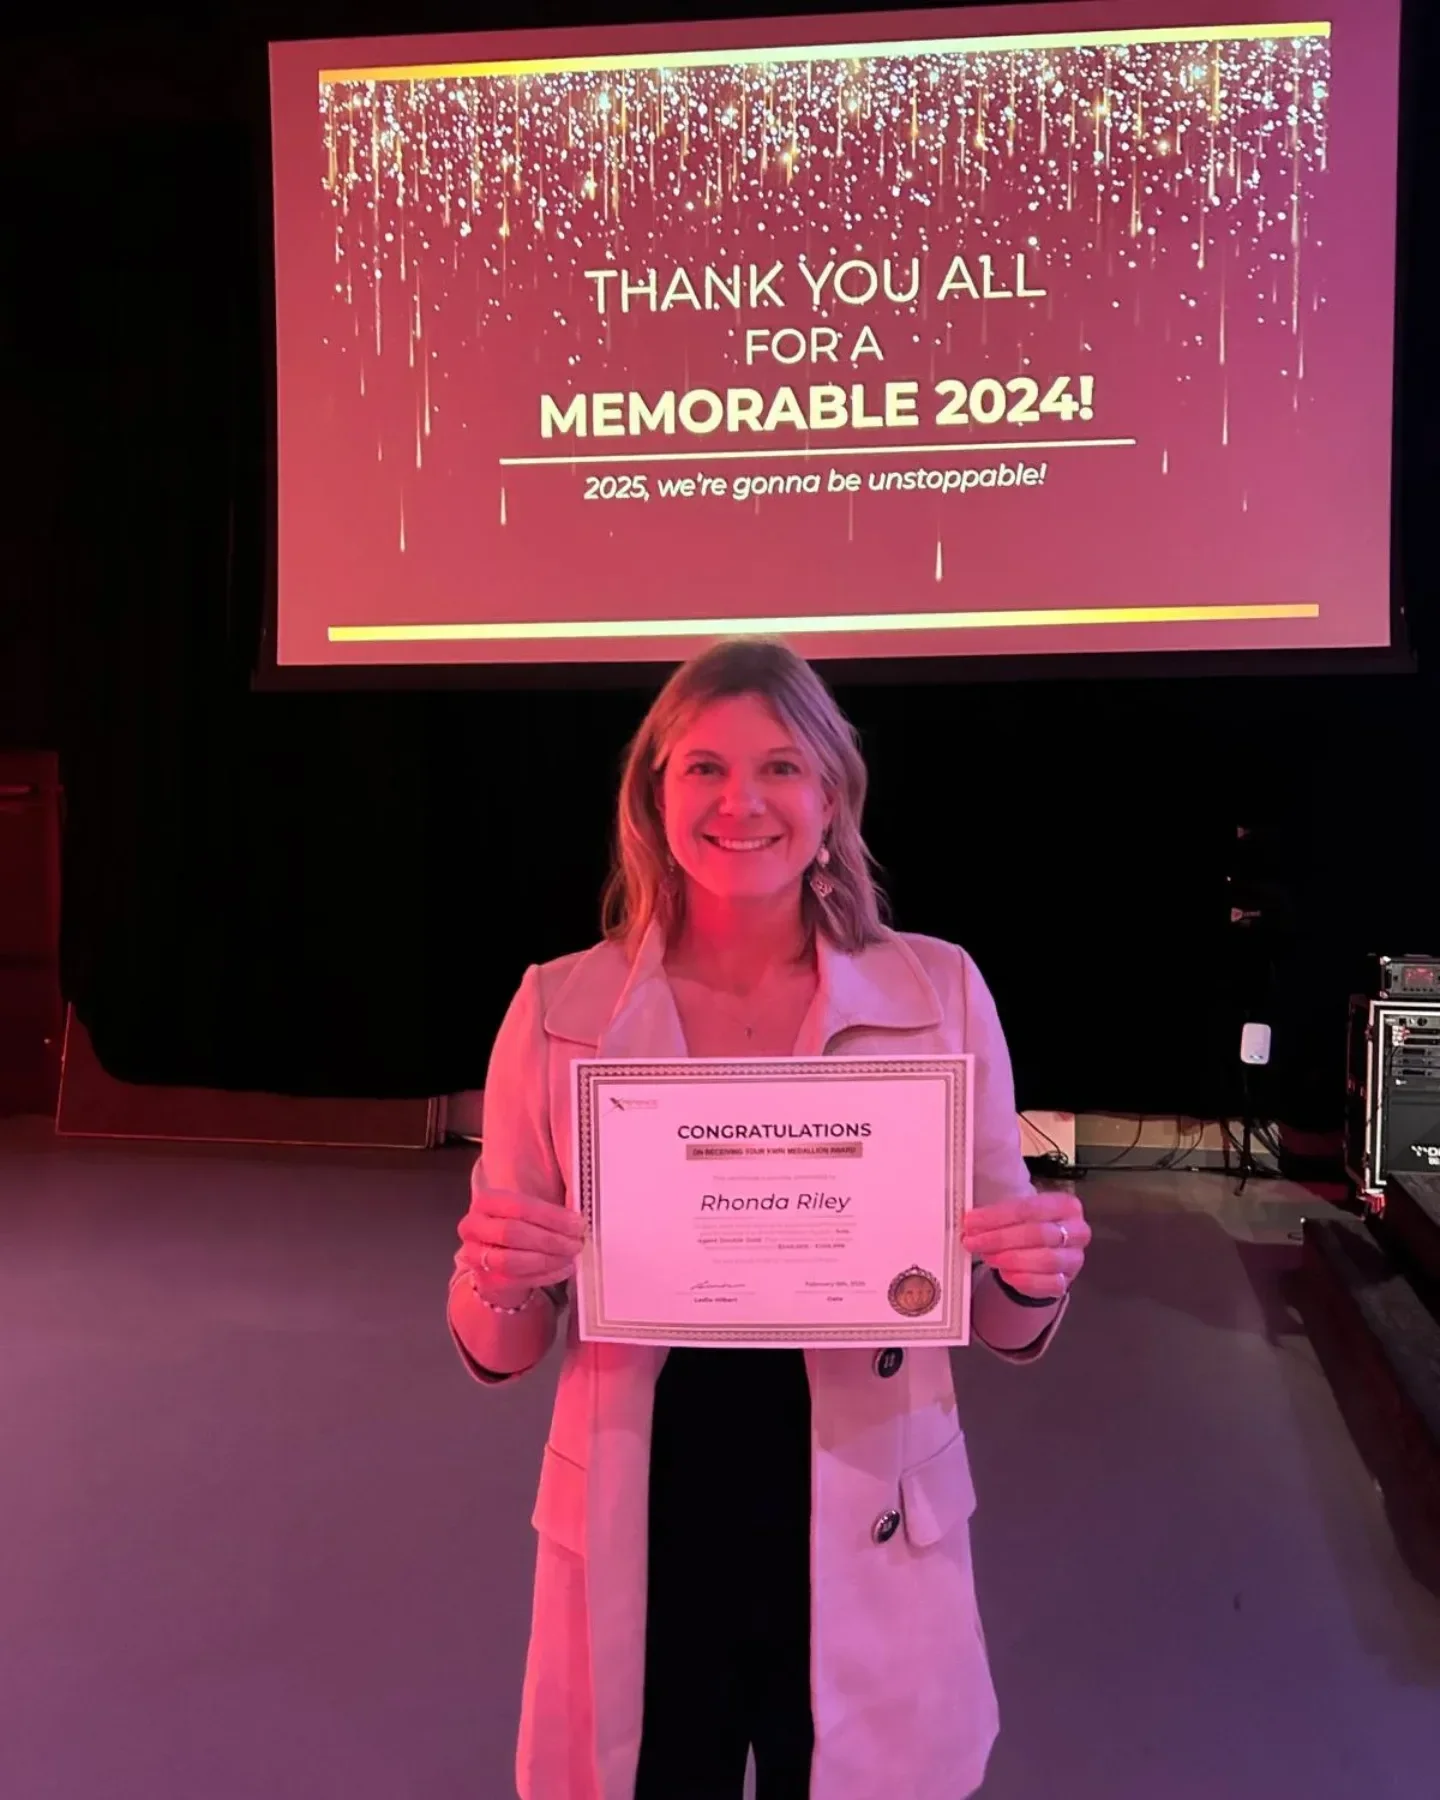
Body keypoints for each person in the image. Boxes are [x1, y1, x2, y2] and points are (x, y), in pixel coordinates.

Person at [447, 638, 1091, 1800]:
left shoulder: (937, 992)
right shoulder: (557, 1010)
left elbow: (1000, 1317)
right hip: (648, 1516)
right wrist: (498, 1270)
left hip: (866, 1512)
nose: (740, 801)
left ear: (833, 796)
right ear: (654, 797)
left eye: (781, 767)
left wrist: (1033, 1269)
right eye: (702, 768)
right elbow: (505, 1341)